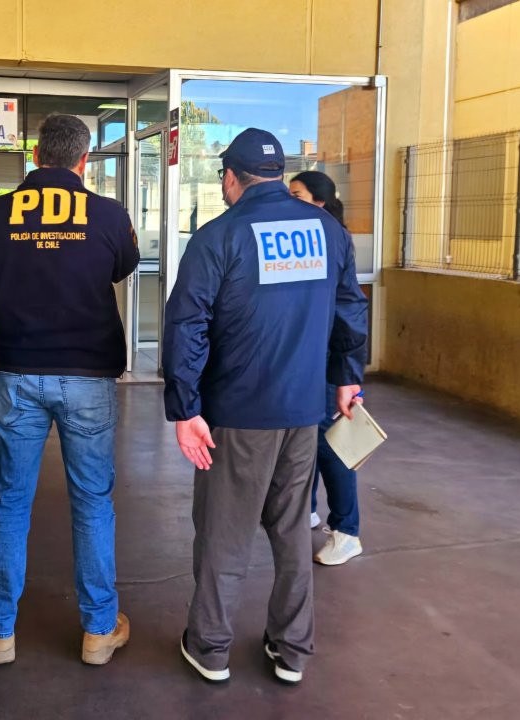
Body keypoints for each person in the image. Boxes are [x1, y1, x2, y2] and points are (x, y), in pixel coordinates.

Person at [162, 129, 368, 685]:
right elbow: (349, 308)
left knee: (224, 534)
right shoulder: (328, 232)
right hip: (304, 410)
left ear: (231, 177)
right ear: (278, 175)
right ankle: (292, 650)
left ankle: (209, 647)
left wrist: (185, 408)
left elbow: (187, 325)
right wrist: (347, 378)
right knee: (293, 531)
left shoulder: (218, 236)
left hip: (236, 415)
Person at [0, 113, 140, 666]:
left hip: (18, 374)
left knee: (10, 502)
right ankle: (99, 631)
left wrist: (15, 295)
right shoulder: (108, 214)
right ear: (84, 159)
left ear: (36, 155)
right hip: (89, 377)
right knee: (93, 502)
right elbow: (123, 266)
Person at [290, 171, 365, 565]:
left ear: (320, 201)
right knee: (306, 438)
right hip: (306, 359)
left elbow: (348, 310)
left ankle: (346, 531)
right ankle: (308, 509)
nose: (289, 201)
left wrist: (348, 375)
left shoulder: (333, 239)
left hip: (329, 363)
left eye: (298, 195)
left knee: (330, 442)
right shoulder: (299, 237)